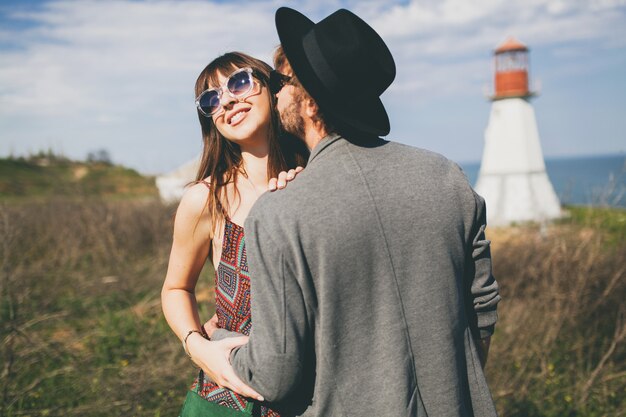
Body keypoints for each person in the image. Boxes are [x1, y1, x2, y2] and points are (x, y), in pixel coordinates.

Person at [201, 8, 501, 417]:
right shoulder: (446, 175)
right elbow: (482, 314)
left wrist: (219, 345)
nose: (275, 93)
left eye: (283, 82)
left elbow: (274, 375)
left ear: (309, 103)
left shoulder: (278, 213)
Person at [161, 51, 308, 416]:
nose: (226, 100)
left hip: (314, 398)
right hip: (227, 399)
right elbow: (175, 288)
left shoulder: (315, 182)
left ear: (272, 90)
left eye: (239, 82)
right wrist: (197, 346)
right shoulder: (204, 199)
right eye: (211, 100)